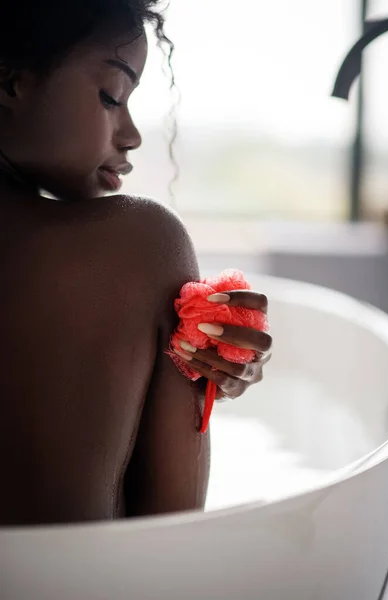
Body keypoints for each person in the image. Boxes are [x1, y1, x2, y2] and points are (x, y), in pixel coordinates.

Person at [0, 0, 272, 526]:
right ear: (10, 83)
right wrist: (203, 382)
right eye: (112, 96)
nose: (132, 135)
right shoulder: (142, 245)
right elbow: (170, 538)